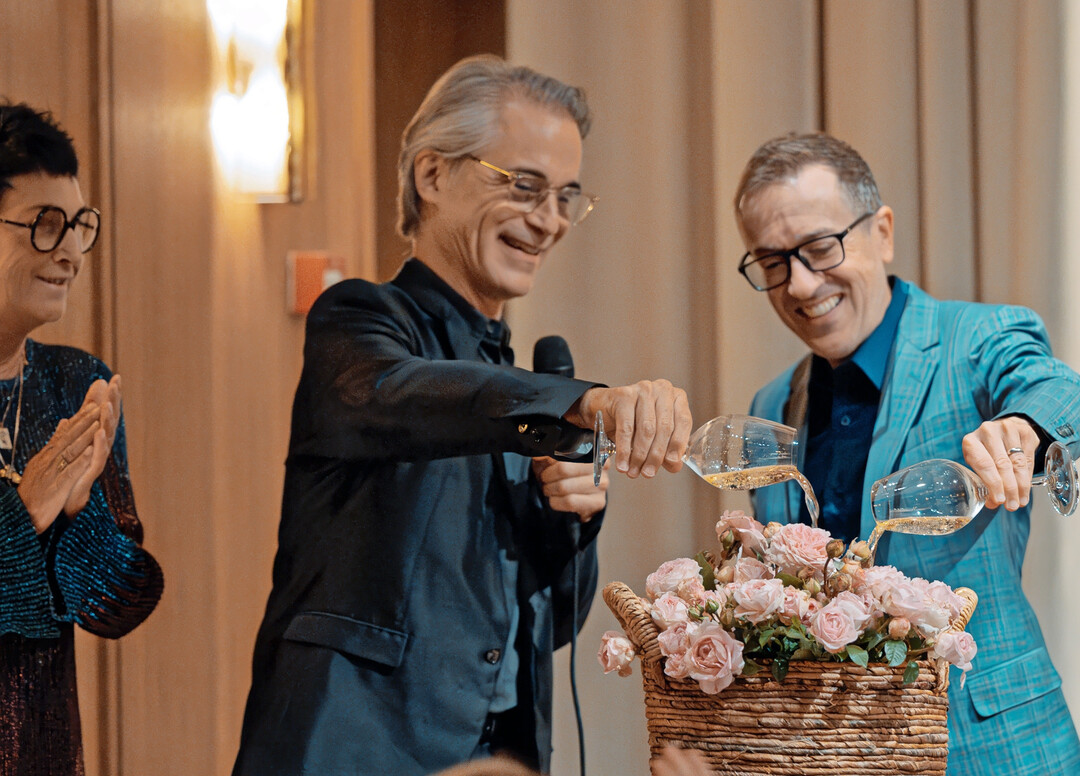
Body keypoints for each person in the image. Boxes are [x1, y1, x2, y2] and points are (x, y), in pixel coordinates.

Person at [232, 55, 692, 776]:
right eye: (524, 186)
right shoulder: (361, 321)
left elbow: (552, 623)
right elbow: (398, 391)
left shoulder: (519, 387)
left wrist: (576, 516)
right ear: (432, 174)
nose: (550, 220)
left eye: (567, 196)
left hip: (498, 755)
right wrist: (576, 401)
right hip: (352, 748)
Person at [735, 131, 1080, 775]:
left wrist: (1023, 426)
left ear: (883, 232)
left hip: (997, 748)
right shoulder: (773, 401)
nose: (801, 285)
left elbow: (1058, 387)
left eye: (820, 248)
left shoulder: (977, 338)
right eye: (773, 262)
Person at [0, 101, 163, 775]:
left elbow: (116, 604)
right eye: (44, 225)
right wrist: (24, 514)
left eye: (77, 227)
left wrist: (78, 511)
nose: (69, 253)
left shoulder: (75, 384)